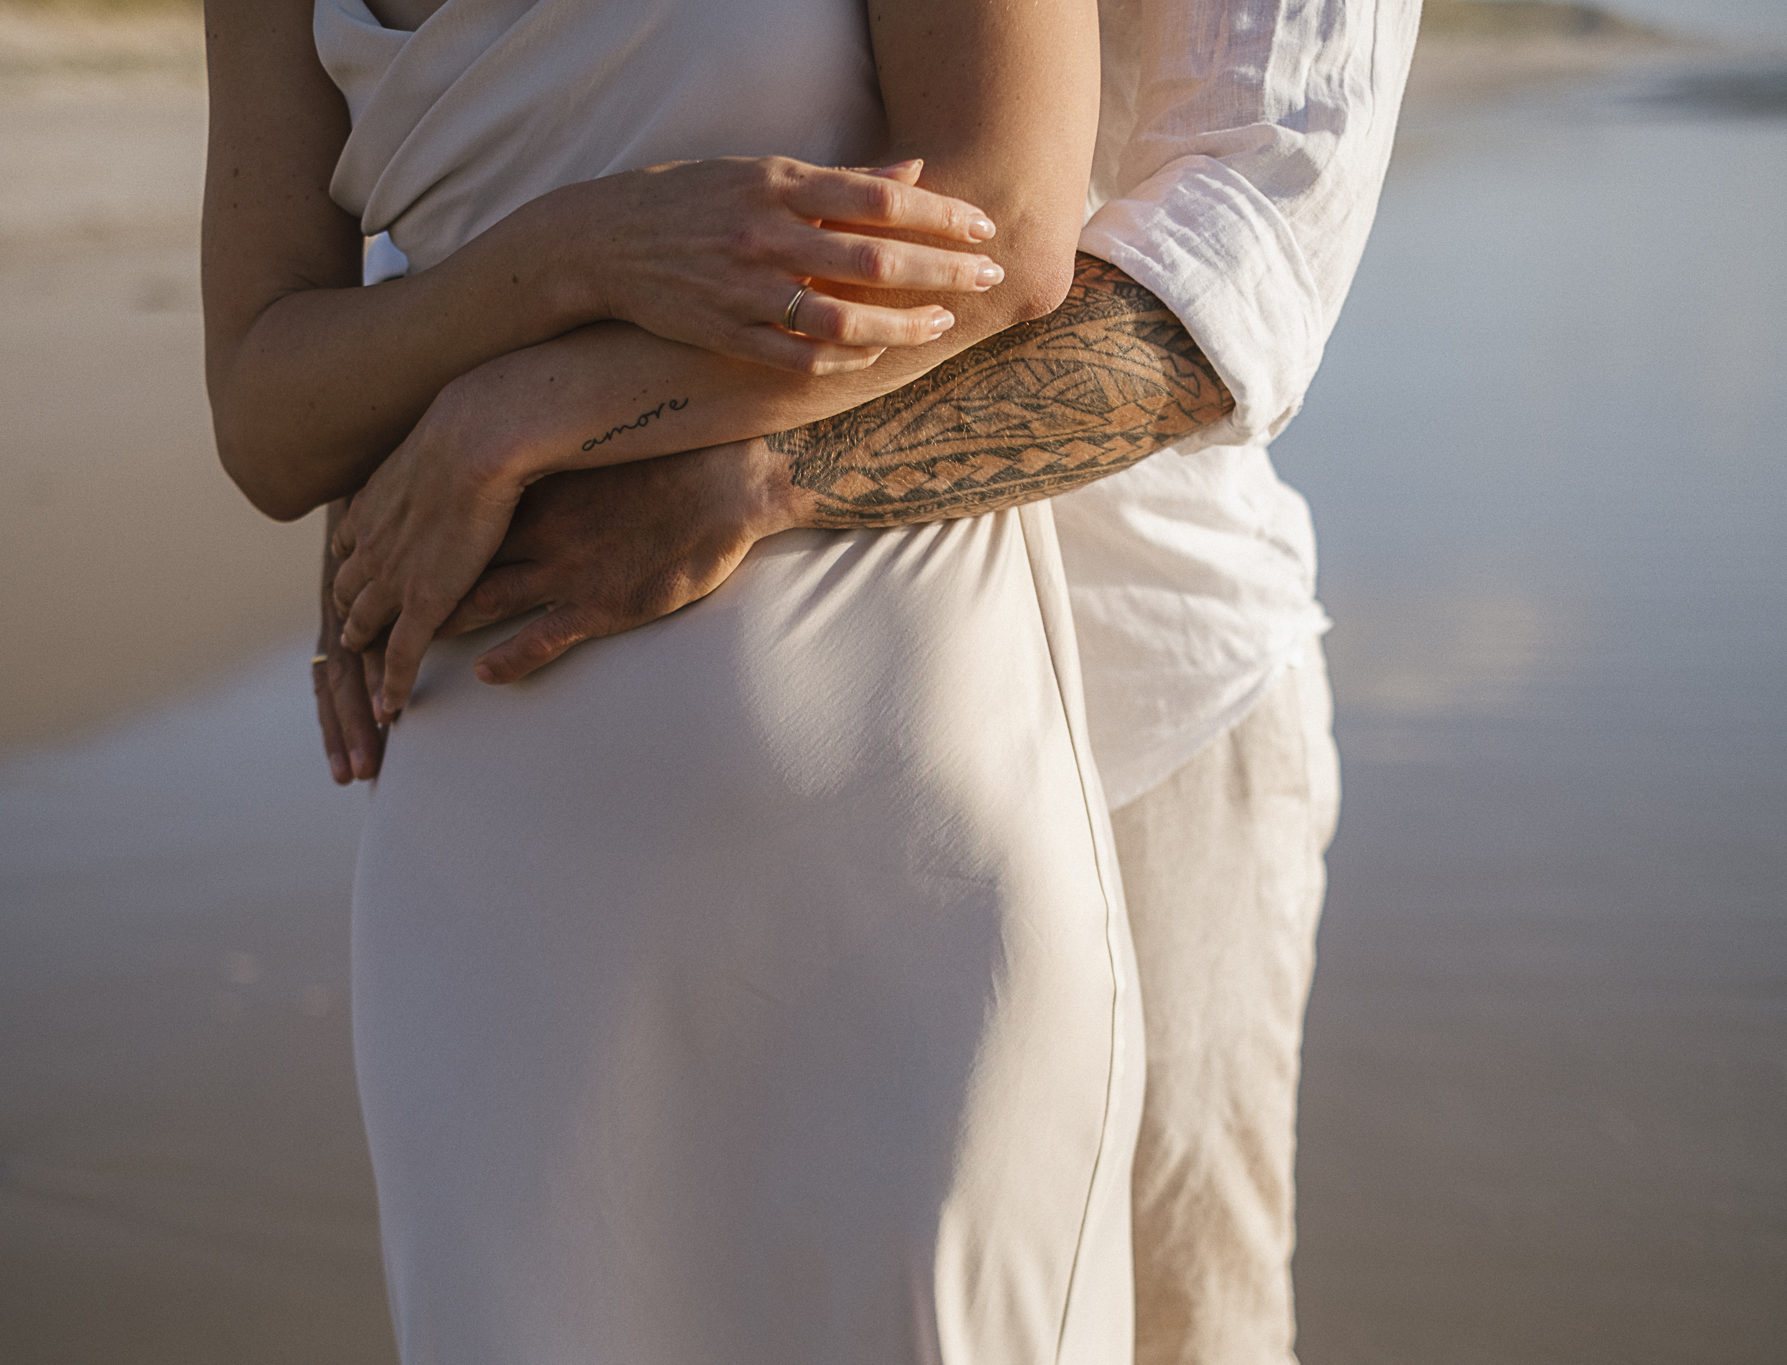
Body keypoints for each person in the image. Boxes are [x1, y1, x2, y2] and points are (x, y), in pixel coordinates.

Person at [202, 0, 1418, 1361]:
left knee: (1174, 1326)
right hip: (531, 783)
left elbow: (1235, 265)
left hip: (1129, 692)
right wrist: (451, 396)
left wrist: (718, 463)